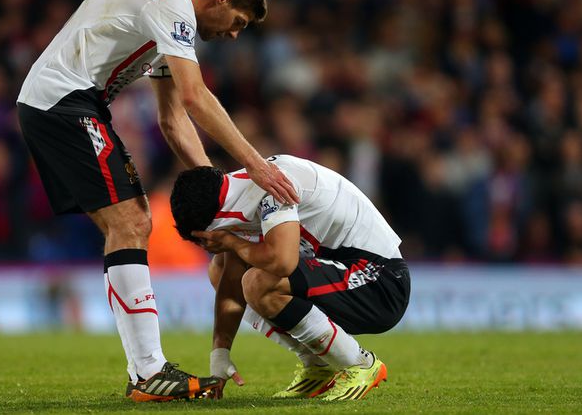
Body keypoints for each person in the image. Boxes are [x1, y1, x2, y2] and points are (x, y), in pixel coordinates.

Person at [16, 0, 299, 403]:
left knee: (130, 223)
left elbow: (173, 118)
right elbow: (195, 96)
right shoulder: (171, 3)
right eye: (238, 22)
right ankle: (148, 372)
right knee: (130, 222)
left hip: (65, 103)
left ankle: (146, 372)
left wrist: (216, 195)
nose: (233, 34)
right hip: (63, 102)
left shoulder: (167, 13)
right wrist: (256, 165)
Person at [170, 154, 410, 401]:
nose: (207, 247)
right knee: (220, 268)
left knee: (259, 283)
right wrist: (219, 355)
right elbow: (229, 281)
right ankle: (318, 364)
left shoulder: (271, 187)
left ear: (212, 225)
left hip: (381, 280)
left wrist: (231, 241)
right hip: (348, 270)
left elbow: (283, 262)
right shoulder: (239, 192)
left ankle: (359, 363)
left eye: (204, 241)